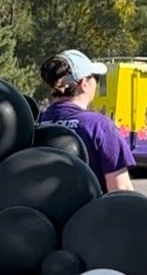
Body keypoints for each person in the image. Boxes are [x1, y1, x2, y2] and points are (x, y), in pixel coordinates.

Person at [40, 49, 134, 193]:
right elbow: (121, 190)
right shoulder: (99, 126)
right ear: (83, 83)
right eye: (95, 78)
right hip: (91, 214)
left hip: (44, 214)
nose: (96, 83)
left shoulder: (37, 122)